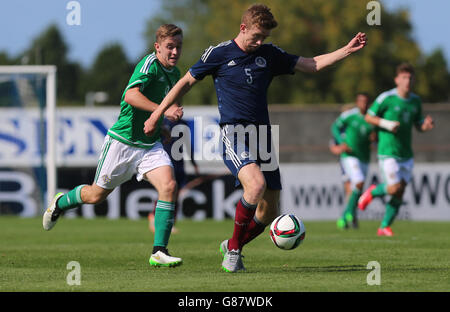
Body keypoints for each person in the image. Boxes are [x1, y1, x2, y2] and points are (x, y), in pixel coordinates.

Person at [143, 4, 367, 272]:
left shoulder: (269, 54)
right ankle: (234, 253)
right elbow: (185, 82)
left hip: (263, 136)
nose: (260, 42)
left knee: (269, 211)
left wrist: (346, 50)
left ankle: (232, 244)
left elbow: (312, 64)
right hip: (234, 133)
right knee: (256, 185)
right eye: (256, 36)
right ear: (242, 28)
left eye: (264, 38)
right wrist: (158, 114)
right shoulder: (219, 53)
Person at [43, 24, 185, 267]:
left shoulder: (175, 73)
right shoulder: (150, 64)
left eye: (178, 47)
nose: (174, 52)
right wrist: (162, 110)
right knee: (95, 195)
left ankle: (159, 251)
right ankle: (60, 203)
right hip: (123, 143)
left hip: (149, 145)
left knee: (169, 185)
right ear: (157, 47)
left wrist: (161, 125)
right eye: (169, 47)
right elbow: (130, 95)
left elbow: (157, 108)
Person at [358, 63, 434, 236]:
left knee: (400, 191)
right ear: (397, 79)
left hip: (406, 153)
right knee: (393, 187)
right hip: (388, 151)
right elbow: (369, 116)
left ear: (413, 80)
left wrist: (426, 125)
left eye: (410, 78)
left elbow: (419, 125)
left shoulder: (415, 101)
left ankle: (384, 226)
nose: (407, 81)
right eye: (404, 77)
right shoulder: (387, 98)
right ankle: (372, 192)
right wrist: (387, 124)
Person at [330, 93, 375, 229]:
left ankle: (345, 216)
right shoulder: (350, 116)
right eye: (361, 101)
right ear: (357, 102)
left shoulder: (372, 118)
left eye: (366, 102)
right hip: (349, 157)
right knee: (357, 183)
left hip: (364, 158)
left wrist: (374, 138)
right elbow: (334, 128)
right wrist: (342, 143)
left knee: (357, 188)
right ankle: (350, 214)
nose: (364, 104)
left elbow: (375, 137)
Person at [148, 118, 200, 233]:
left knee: (176, 194)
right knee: (167, 190)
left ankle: (170, 222)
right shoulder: (162, 121)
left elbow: (187, 144)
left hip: (179, 163)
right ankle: (155, 216)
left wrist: (193, 163)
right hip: (165, 161)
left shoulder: (183, 123)